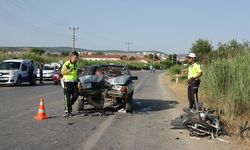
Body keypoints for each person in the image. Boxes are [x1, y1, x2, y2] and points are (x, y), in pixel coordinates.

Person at [61, 51, 79, 117]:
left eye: (77, 58)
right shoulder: (66, 64)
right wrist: (68, 71)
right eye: (75, 58)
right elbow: (62, 72)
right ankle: (67, 111)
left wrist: (78, 80)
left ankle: (69, 105)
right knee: (67, 97)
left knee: (75, 96)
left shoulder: (77, 64)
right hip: (67, 82)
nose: (76, 59)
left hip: (74, 82)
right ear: (71, 57)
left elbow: (76, 73)